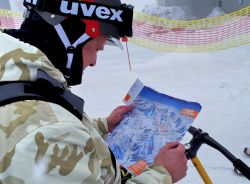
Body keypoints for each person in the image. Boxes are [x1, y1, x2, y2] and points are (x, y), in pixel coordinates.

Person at [0, 0, 187, 183]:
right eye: (98, 48)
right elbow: (47, 131)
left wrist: (103, 126)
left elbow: (23, 124)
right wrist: (163, 175)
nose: (93, 61)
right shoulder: (52, 133)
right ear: (73, 36)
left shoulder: (15, 73)